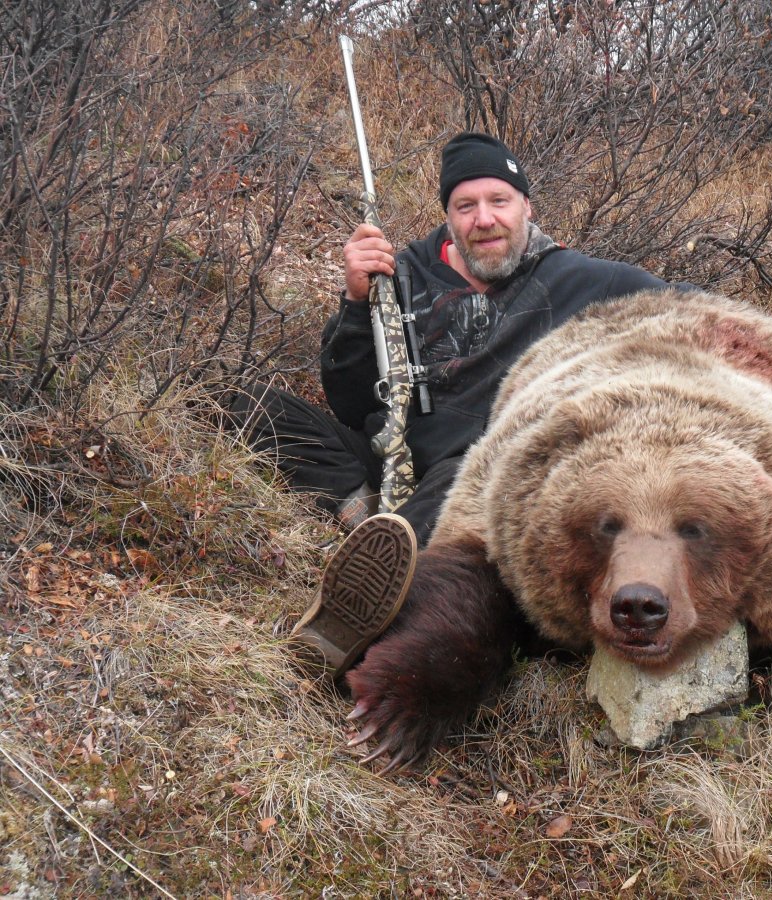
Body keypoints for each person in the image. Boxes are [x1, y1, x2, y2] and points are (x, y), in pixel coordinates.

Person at [230, 132, 673, 680]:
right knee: (245, 403)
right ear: (448, 214)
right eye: (466, 206)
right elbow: (348, 401)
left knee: (464, 483)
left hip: (479, 474)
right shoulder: (401, 274)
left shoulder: (586, 280)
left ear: (527, 208)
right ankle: (372, 518)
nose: (484, 219)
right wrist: (354, 302)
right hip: (395, 452)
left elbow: (695, 312)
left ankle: (356, 619)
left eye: (499, 201)